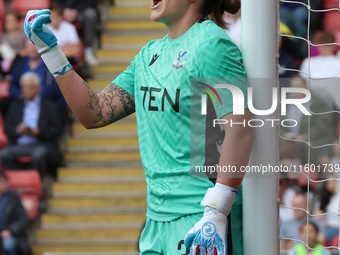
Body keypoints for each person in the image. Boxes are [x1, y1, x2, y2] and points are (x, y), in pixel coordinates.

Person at [23, 0, 254, 254]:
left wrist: (217, 210)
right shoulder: (148, 55)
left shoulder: (212, 43)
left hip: (199, 217)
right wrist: (51, 52)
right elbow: (94, 113)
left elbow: (241, 128)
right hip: (155, 222)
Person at [1, 72, 63, 177]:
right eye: (24, 87)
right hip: (19, 144)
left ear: (37, 88)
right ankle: (16, 182)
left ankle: (39, 183)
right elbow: (7, 128)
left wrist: (39, 132)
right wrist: (18, 129)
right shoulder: (16, 105)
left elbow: (57, 130)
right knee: (3, 154)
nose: (26, 90)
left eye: (29, 87)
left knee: (39, 155)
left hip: (41, 144)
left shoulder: (49, 105)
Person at [53, 0, 99, 66]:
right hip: (61, 10)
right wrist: (64, 9)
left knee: (90, 14)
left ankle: (88, 49)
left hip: (81, 10)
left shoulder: (69, 27)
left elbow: (91, 2)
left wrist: (76, 10)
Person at [0, 172, 30, 255]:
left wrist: (10, 230)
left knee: (8, 244)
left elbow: (23, 220)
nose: (2, 184)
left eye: (3, 181)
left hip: (12, 235)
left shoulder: (14, 198)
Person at [47, 2, 81, 67]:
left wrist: (56, 53)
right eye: (50, 17)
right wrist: (66, 50)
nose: (51, 20)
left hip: (69, 61)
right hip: (52, 62)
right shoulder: (46, 30)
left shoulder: (69, 27)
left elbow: (75, 50)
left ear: (60, 17)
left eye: (54, 17)